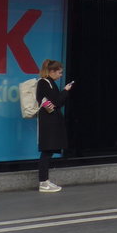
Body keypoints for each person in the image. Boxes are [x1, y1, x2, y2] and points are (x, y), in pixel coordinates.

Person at [35, 59, 73, 193]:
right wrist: (66, 91)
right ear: (51, 71)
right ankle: (43, 182)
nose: (61, 75)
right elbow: (57, 102)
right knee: (47, 151)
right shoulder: (45, 83)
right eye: (59, 72)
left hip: (49, 121)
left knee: (48, 151)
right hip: (49, 122)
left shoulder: (46, 83)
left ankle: (45, 181)